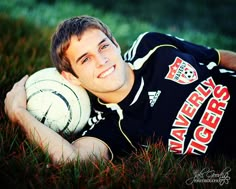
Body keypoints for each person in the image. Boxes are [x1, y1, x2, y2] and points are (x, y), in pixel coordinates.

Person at [4, 15, 236, 164]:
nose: (102, 60)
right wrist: (19, 114)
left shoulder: (153, 46)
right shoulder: (111, 124)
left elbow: (219, 56)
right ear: (72, 77)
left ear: (115, 43)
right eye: (85, 59)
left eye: (103, 46)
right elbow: (70, 159)